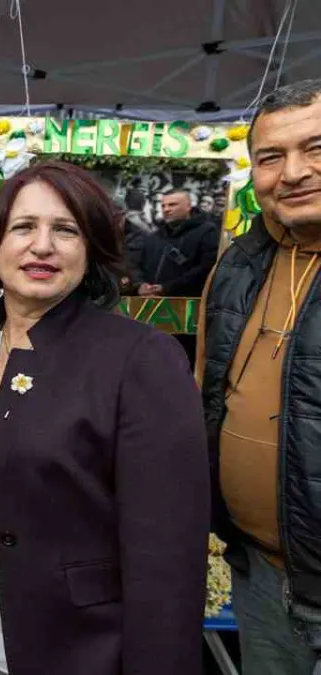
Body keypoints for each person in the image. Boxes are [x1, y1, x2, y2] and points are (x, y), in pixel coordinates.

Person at [0, 161, 209, 675]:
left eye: (65, 230)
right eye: (23, 227)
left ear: (90, 249)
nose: (42, 246)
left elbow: (167, 553)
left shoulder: (140, 357)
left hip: (79, 646)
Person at [196, 78, 321, 675]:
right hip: (262, 573)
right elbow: (208, 391)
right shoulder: (238, 266)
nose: (293, 173)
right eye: (271, 157)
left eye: (316, 148)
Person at [132, 189, 220, 297]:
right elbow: (135, 264)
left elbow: (206, 268)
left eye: (172, 205)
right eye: (163, 206)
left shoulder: (206, 231)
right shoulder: (155, 236)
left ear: (188, 206)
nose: (166, 209)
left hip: (186, 304)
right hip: (148, 303)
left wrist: (167, 288)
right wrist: (140, 285)